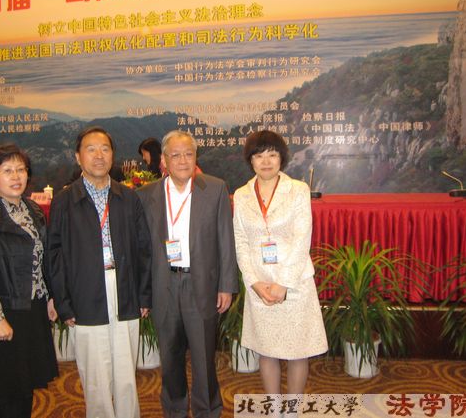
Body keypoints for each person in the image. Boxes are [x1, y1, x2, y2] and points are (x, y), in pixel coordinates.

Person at [46, 126, 152, 418]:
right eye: (90, 149)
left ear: (113, 155)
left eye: (105, 149)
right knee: (95, 373)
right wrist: (63, 301)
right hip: (85, 291)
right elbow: (54, 254)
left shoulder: (128, 197)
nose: (99, 155)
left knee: (126, 370)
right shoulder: (65, 201)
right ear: (78, 157)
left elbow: (144, 250)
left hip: (124, 288)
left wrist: (144, 295)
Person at [137, 130, 238, 418]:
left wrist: (226, 286)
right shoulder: (146, 195)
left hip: (201, 285)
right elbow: (141, 251)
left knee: (204, 357)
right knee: (169, 357)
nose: (182, 161)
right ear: (164, 160)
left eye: (188, 154)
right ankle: (175, 410)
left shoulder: (215, 188)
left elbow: (225, 240)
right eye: (175, 155)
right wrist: (143, 294)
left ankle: (208, 410)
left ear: (196, 157)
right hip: (164, 284)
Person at [0, 144, 58, 418]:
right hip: (6, 311)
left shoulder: (33, 210)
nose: (16, 176)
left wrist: (50, 296)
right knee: (8, 389)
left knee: (25, 384)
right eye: (7, 171)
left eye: (20, 169)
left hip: (33, 309)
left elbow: (41, 259)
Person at [232, 130, 328, 395]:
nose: (266, 161)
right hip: (260, 286)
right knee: (266, 351)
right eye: (259, 155)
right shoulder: (241, 194)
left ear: (282, 158)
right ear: (250, 160)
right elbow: (240, 241)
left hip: (294, 284)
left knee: (298, 352)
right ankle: (274, 408)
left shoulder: (298, 190)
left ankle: (292, 408)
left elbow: (302, 239)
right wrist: (253, 282)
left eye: (272, 155)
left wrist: (283, 284)